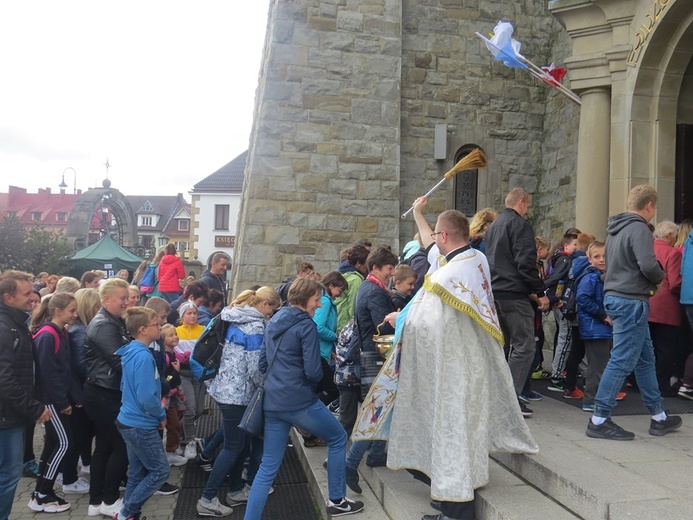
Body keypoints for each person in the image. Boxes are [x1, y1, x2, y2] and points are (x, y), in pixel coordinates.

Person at [355, 207, 537, 520]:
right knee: (463, 435)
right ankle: (456, 500)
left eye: (437, 237)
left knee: (451, 436)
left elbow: (425, 322)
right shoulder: (475, 260)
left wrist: (401, 318)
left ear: (445, 236)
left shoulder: (447, 277)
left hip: (452, 371)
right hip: (469, 364)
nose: (434, 246)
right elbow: (432, 251)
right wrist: (419, 215)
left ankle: (455, 512)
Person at [243, 278, 364, 520]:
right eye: (316, 299)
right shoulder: (306, 326)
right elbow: (313, 371)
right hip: (299, 400)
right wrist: (310, 385)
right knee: (339, 437)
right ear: (304, 299)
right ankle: (337, 500)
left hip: (273, 401)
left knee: (268, 466)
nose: (319, 305)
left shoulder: (274, 319)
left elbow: (263, 364)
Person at [587, 185, 682, 440]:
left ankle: (658, 416)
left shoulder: (615, 230)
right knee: (622, 360)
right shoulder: (639, 228)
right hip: (631, 301)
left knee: (644, 359)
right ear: (649, 206)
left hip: (618, 298)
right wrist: (659, 278)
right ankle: (599, 419)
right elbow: (649, 265)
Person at [196, 287, 281, 518]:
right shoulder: (254, 326)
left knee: (240, 444)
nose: (270, 316)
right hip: (238, 394)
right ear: (264, 305)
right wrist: (269, 384)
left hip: (224, 387)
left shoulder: (232, 314)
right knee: (234, 447)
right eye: (271, 311)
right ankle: (207, 498)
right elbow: (256, 369)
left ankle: (235, 490)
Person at [484, 188, 550, 418]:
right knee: (525, 346)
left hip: (496, 293)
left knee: (503, 347)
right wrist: (540, 292)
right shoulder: (519, 224)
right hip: (513, 294)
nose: (528, 210)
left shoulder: (494, 225)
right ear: (521, 203)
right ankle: (508, 400)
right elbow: (525, 262)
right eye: (528, 206)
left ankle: (498, 396)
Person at [342, 247, 398, 493]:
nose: (392, 273)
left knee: (381, 410)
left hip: (368, 356)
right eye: (389, 269)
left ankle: (375, 453)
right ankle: (351, 463)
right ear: (375, 268)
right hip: (376, 358)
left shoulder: (368, 287)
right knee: (376, 413)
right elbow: (384, 326)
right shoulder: (374, 292)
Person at [0, 271, 52, 520]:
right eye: (27, 293)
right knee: (8, 475)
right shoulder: (5, 329)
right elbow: (4, 379)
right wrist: (33, 408)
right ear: (8, 298)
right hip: (5, 417)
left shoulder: (15, 323)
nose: (33, 296)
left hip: (12, 414)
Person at [114, 307, 170, 520]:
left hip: (127, 421)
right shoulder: (144, 358)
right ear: (143, 329)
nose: (160, 327)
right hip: (140, 424)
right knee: (160, 471)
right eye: (156, 324)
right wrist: (161, 415)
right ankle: (126, 513)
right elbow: (147, 396)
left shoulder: (130, 351)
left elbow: (125, 386)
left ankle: (130, 515)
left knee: (137, 473)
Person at [83, 278, 131, 517]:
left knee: (103, 447)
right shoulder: (104, 325)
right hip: (104, 393)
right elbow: (121, 360)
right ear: (106, 300)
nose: (126, 302)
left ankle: (96, 502)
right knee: (121, 445)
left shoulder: (111, 321)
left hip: (103, 391)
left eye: (127, 297)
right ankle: (110, 499)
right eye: (122, 298)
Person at [28, 292, 80, 513]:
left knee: (52, 444)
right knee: (64, 444)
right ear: (58, 312)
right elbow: (47, 374)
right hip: (49, 400)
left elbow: (64, 371)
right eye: (72, 310)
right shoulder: (48, 335)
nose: (75, 314)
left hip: (56, 398)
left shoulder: (60, 332)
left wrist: (74, 398)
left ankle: (40, 491)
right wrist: (62, 402)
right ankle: (43, 493)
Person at [64, 288, 101, 489]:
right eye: (97, 306)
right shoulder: (79, 331)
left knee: (82, 436)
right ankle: (68, 478)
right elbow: (81, 366)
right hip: (80, 393)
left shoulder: (81, 330)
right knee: (78, 437)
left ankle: (73, 473)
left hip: (81, 391)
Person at [648, 221, 683, 396]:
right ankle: (661, 385)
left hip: (646, 303)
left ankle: (643, 383)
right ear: (669, 235)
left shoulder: (646, 250)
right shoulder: (672, 253)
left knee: (648, 347)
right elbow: (675, 282)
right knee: (666, 348)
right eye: (675, 236)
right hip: (665, 307)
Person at [175, 301, 206, 459]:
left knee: (199, 410)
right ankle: (190, 441)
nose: (193, 316)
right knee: (190, 409)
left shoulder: (203, 330)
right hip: (184, 374)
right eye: (189, 313)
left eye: (195, 313)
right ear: (182, 316)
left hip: (199, 374)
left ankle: (178, 435)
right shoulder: (176, 331)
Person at [159, 324, 188, 467]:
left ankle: (171, 447)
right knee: (173, 423)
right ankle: (170, 451)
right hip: (168, 396)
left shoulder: (173, 353)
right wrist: (175, 372)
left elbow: (180, 358)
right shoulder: (165, 356)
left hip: (174, 394)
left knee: (177, 418)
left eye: (175, 333)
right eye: (170, 335)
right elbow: (166, 379)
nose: (175, 337)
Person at [336, 246, 370, 332]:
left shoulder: (342, 273)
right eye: (366, 262)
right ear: (359, 263)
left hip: (339, 323)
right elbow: (353, 306)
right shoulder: (355, 280)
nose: (367, 266)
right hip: (346, 325)